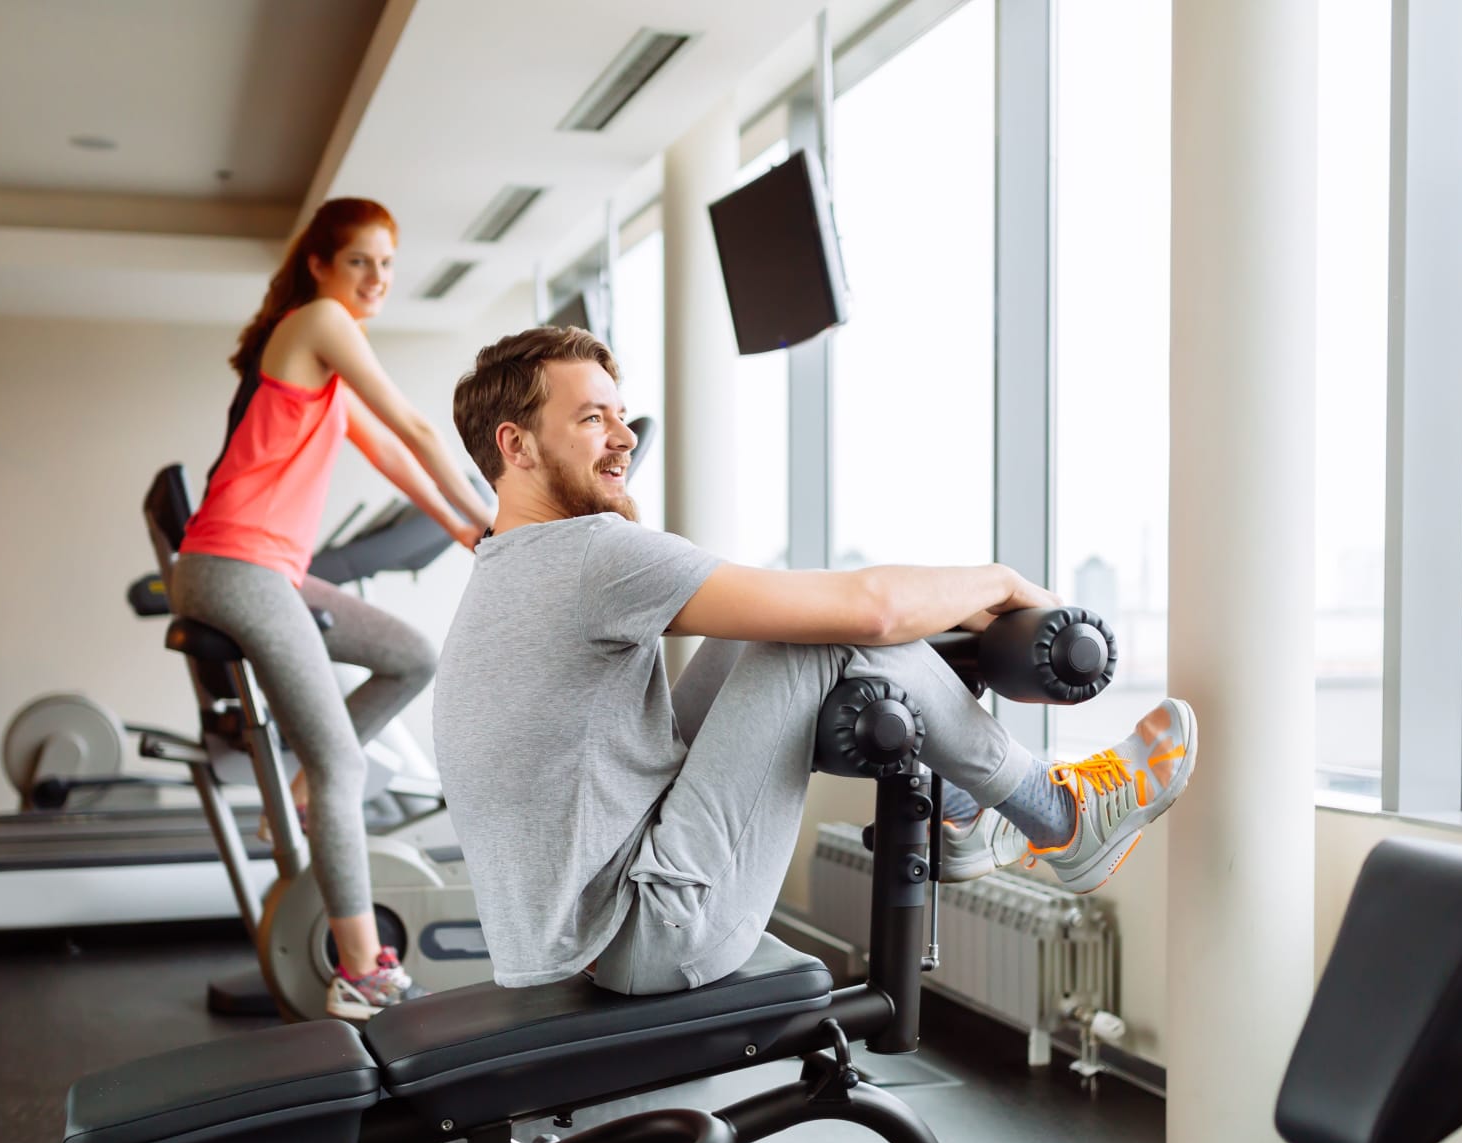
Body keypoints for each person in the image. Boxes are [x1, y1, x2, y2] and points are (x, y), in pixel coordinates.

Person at [433, 327, 1197, 995]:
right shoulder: (593, 555)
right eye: (592, 418)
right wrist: (996, 583)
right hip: (652, 936)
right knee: (828, 631)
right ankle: (1059, 816)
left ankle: (960, 816)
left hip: (587, 938)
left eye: (620, 416)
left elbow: (814, 605)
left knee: (771, 619)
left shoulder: (503, 565)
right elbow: (871, 612)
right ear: (516, 445)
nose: (626, 437)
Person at [172, 197, 494, 1020]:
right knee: (347, 768)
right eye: (361, 261)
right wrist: (501, 520)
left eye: (387, 264)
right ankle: (360, 972)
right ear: (320, 264)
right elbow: (418, 425)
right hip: (233, 566)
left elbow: (391, 455)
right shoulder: (320, 320)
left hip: (267, 569)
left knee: (412, 654)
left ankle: (316, 780)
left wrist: (466, 529)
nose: (378, 279)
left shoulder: (323, 354)